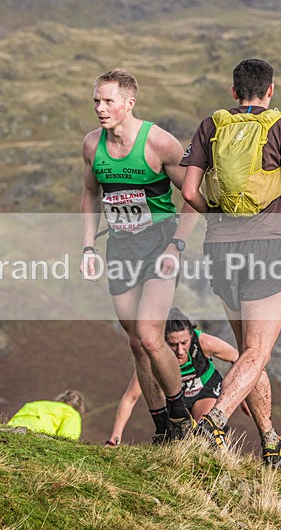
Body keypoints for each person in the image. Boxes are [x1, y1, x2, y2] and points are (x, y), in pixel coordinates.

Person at [181, 58, 281, 467]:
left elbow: (188, 191)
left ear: (234, 91)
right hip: (264, 249)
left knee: (246, 352)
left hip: (219, 250)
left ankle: (270, 439)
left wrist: (215, 216)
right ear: (270, 90)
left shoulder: (211, 125)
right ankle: (215, 421)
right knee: (257, 352)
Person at [79, 68, 198, 443]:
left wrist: (176, 245)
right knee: (135, 341)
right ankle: (162, 426)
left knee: (150, 336)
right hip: (120, 247)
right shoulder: (91, 145)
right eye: (96, 100)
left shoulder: (160, 143)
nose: (100, 107)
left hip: (158, 244)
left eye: (108, 100)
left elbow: (195, 198)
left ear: (129, 103)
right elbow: (90, 195)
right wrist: (87, 246)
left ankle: (181, 418)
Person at [107, 307, 250, 445]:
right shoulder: (152, 359)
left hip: (205, 391)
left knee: (206, 432)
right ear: (161, 342)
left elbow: (238, 358)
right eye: (173, 344)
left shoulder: (204, 342)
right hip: (176, 400)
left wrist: (241, 396)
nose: (180, 351)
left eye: (184, 343)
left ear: (191, 335)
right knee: (178, 441)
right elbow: (130, 398)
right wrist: (115, 438)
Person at [7, 390, 85, 440]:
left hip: (10, 429)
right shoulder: (72, 413)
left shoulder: (35, 404)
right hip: (36, 435)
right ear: (78, 408)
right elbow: (67, 438)